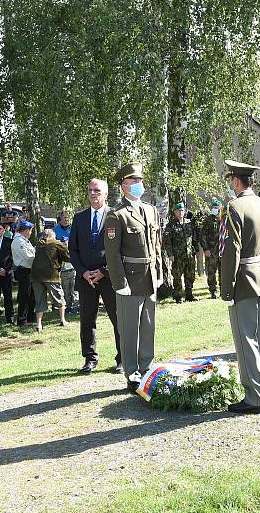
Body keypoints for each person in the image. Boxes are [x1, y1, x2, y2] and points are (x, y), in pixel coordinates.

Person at [219, 159, 260, 414]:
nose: (230, 184)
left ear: (236, 180)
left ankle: (255, 397)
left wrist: (227, 289)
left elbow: (230, 251)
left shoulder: (234, 207)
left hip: (243, 278)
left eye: (230, 179)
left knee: (246, 340)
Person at [105, 162, 163, 393]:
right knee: (130, 329)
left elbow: (156, 245)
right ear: (123, 186)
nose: (138, 185)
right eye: (132, 182)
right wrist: (120, 283)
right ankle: (132, 372)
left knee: (148, 326)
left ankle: (146, 367)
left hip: (150, 277)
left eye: (139, 181)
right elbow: (112, 253)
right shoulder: (116, 215)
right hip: (129, 279)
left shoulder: (151, 210)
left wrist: (159, 272)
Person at [69, 178, 122, 374]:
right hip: (86, 280)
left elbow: (120, 250)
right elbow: (72, 250)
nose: (93, 193)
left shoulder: (115, 217)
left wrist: (103, 271)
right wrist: (83, 272)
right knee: (87, 320)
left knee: (117, 319)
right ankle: (90, 359)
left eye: (97, 190)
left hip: (109, 278)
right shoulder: (79, 218)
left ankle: (122, 358)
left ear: (106, 194)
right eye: (90, 190)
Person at [31, 228, 69, 331]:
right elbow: (68, 257)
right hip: (51, 275)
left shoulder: (38, 244)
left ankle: (38, 324)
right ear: (53, 235)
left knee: (39, 300)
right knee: (59, 297)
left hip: (36, 276)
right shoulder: (56, 243)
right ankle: (62, 320)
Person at [163, 202, 200, 303]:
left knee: (190, 275)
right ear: (174, 212)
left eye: (182, 210)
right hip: (177, 256)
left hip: (189, 254)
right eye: (178, 211)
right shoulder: (171, 225)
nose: (181, 212)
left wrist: (196, 250)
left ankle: (189, 295)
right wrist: (170, 254)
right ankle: (178, 296)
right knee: (177, 276)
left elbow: (193, 238)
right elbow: (167, 241)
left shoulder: (189, 223)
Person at [12, 219, 37, 326]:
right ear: (26, 230)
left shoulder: (25, 240)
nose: (31, 233)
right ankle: (22, 319)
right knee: (24, 295)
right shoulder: (18, 241)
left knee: (32, 295)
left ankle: (30, 317)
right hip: (23, 270)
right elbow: (28, 256)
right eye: (30, 230)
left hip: (29, 270)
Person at [54, 212, 79, 314]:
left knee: (75, 287)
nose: (66, 219)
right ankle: (67, 306)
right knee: (65, 287)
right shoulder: (55, 230)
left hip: (74, 260)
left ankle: (76, 306)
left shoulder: (73, 228)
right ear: (60, 218)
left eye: (68, 218)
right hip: (62, 262)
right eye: (64, 217)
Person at [199, 200, 223, 298]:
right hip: (211, 251)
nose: (215, 210)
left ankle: (223, 291)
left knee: (223, 272)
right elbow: (202, 236)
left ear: (221, 208)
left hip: (222, 251)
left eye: (217, 208)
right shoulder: (208, 221)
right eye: (214, 208)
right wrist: (205, 249)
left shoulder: (224, 220)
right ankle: (213, 292)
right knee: (211, 272)